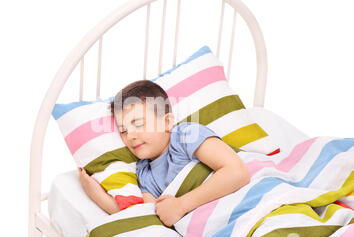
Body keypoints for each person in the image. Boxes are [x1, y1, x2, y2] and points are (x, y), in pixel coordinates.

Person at [78, 79, 250, 226]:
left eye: (138, 124)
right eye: (123, 131)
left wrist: (182, 205)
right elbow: (149, 219)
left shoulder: (185, 135)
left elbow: (237, 172)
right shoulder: (144, 173)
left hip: (245, 207)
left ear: (167, 122)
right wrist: (98, 195)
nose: (130, 136)